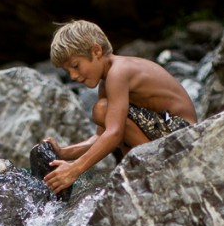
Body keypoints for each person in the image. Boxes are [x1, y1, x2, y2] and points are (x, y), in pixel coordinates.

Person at [43, 19, 197, 194]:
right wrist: (63, 153)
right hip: (166, 133)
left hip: (181, 133)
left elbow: (114, 134)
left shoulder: (119, 72)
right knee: (106, 113)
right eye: (67, 71)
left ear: (96, 51)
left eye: (76, 66)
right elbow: (100, 137)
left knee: (102, 110)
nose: (73, 76)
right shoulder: (106, 83)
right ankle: (141, 168)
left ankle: (154, 165)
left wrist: (75, 169)